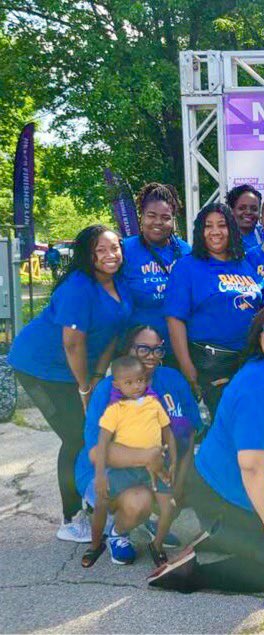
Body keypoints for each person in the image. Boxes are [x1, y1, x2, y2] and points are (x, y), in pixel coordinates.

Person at [148, 305, 264, 593]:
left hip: (259, 492)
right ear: (258, 337)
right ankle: (190, 575)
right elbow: (252, 464)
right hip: (222, 492)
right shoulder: (257, 384)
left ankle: (219, 535)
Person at [9, 224, 131, 543]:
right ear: (88, 256)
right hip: (40, 365)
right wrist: (84, 388)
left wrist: (95, 376)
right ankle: (70, 518)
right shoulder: (79, 286)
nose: (109, 255)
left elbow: (114, 333)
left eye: (114, 247)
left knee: (90, 432)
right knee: (76, 435)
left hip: (76, 370)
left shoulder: (120, 282)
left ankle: (95, 505)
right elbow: (73, 343)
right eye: (100, 250)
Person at [75, 325, 203, 566]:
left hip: (161, 467)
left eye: (157, 349)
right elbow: (96, 451)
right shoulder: (109, 389)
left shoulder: (173, 380)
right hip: (109, 472)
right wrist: (147, 457)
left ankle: (151, 523)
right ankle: (118, 532)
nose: (151, 355)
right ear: (128, 350)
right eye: (143, 348)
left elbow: (190, 433)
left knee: (179, 492)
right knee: (139, 503)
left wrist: (178, 479)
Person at [164, 203, 262, 418]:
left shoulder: (245, 263)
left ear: (232, 229)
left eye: (222, 225)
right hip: (211, 363)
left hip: (248, 361)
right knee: (226, 428)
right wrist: (187, 366)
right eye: (208, 226)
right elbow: (175, 319)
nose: (215, 231)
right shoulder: (187, 266)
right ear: (200, 230)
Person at [83, 356, 178, 568]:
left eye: (141, 380)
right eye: (129, 382)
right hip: (124, 471)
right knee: (102, 503)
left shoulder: (154, 404)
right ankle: (98, 543)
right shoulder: (115, 410)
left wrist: (173, 462)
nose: (137, 386)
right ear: (116, 385)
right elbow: (102, 444)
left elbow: (168, 434)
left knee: (169, 507)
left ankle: (157, 545)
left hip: (154, 469)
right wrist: (99, 476)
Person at [121, 183, 191, 358]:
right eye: (151, 215)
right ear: (141, 217)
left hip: (177, 347)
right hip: (137, 350)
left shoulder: (185, 251)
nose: (158, 222)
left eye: (166, 217)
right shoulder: (124, 250)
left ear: (173, 219)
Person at [227, 184, 264, 251]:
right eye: (242, 208)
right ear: (232, 211)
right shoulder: (223, 238)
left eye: (254, 209)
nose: (248, 212)